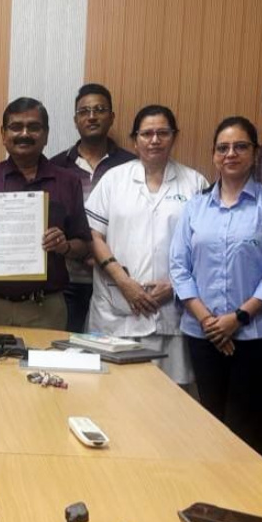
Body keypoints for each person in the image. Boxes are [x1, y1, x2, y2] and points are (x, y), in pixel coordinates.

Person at [169, 116, 262, 472]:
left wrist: (237, 319)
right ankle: (212, 489)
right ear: (213, 155)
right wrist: (210, 322)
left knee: (247, 426)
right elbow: (179, 267)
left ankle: (244, 494)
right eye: (223, 148)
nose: (231, 154)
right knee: (209, 420)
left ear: (255, 153)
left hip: (256, 336)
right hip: (203, 334)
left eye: (240, 146)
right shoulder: (195, 207)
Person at [85, 105, 207, 390]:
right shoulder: (114, 180)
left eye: (163, 133)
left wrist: (175, 286)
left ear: (174, 137)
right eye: (147, 133)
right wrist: (124, 282)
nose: (155, 140)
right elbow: (93, 235)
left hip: (171, 313)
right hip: (116, 309)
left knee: (169, 398)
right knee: (113, 395)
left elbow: (205, 247)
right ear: (134, 140)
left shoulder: (195, 183)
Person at [0, 97, 91, 329]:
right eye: (15, 127)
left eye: (33, 127)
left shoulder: (68, 182)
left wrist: (64, 246)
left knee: (44, 357)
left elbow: (84, 244)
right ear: (3, 134)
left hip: (46, 308)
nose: (24, 134)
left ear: (46, 134)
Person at [51, 83, 135, 332]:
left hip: (118, 279)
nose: (92, 116)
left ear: (112, 117)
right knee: (66, 348)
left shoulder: (132, 167)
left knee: (111, 351)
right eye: (84, 111)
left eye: (99, 110)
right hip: (68, 280)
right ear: (75, 120)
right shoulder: (56, 167)